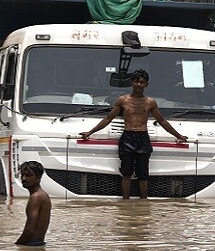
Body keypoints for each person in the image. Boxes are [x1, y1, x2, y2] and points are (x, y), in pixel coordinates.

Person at [79, 69, 188, 199]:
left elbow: (162, 121)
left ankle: (143, 203)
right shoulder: (123, 100)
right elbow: (108, 118)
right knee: (126, 173)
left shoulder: (150, 102)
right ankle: (125, 202)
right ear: (131, 83)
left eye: (142, 82)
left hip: (143, 138)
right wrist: (90, 132)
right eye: (136, 81)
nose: (139, 85)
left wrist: (178, 136)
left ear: (146, 84)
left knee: (143, 174)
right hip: (127, 138)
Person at [15, 160, 51, 246]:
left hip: (32, 244)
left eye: (28, 175)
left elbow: (30, 229)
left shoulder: (36, 197)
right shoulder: (42, 195)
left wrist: (16, 245)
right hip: (37, 244)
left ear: (38, 177)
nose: (23, 179)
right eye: (22, 175)